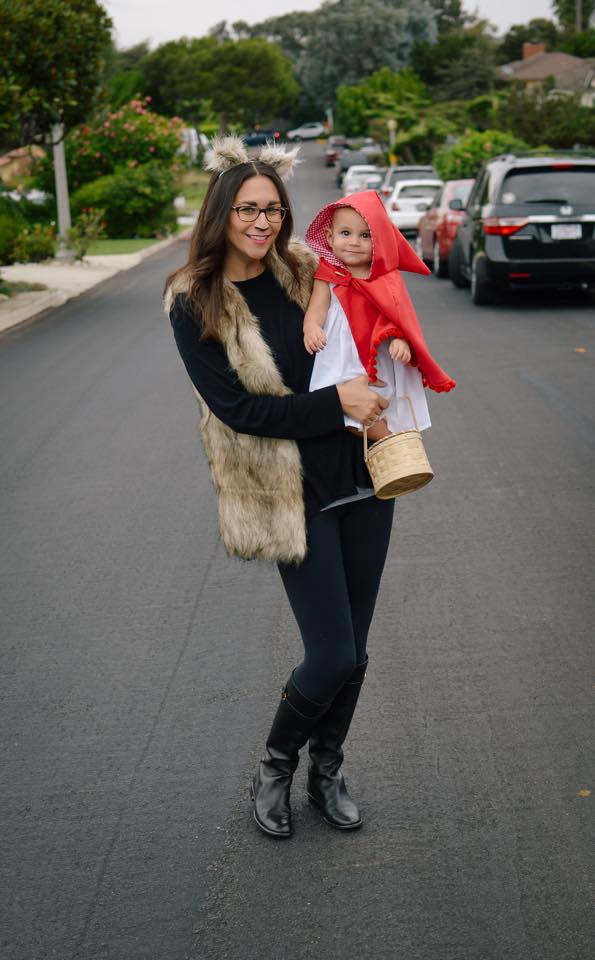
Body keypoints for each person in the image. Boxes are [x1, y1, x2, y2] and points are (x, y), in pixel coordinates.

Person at [165, 137, 398, 841]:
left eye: (272, 209)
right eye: (246, 209)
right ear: (220, 214)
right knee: (328, 652)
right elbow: (242, 411)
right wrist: (339, 406)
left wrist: (390, 358)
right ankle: (276, 765)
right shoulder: (196, 301)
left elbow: (374, 306)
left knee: (354, 649)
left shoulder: (308, 271)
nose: (262, 223)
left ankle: (328, 769)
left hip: (358, 475)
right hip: (285, 493)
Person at [303, 190, 455, 442]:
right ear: (330, 237)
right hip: (342, 355)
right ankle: (387, 442)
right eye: (345, 233)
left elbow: (400, 318)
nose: (354, 242)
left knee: (387, 401)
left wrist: (402, 340)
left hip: (380, 356)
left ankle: (396, 448)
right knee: (345, 413)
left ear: (380, 240)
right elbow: (317, 308)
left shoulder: (387, 278)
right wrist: (311, 327)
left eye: (365, 236)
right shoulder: (328, 274)